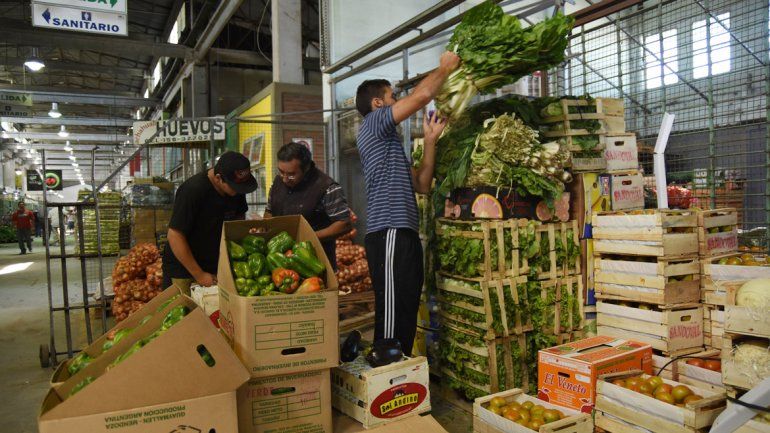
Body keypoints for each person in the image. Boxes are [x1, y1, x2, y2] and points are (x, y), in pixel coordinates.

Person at [355, 51, 460, 355]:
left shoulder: (389, 146)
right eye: (391, 96)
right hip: (387, 230)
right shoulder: (373, 124)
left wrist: (429, 141)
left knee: (406, 301)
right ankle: (385, 360)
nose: (395, 100)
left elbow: (422, 185)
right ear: (378, 103)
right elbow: (422, 95)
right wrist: (444, 68)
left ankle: (398, 365)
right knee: (391, 306)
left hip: (404, 232)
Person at [161, 151, 257, 295]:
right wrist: (199, 274)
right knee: (185, 313)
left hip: (214, 264)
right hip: (184, 269)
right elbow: (175, 235)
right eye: (235, 189)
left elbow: (238, 218)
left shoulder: (236, 188)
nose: (238, 192)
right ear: (219, 178)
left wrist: (247, 231)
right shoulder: (193, 190)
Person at [264, 142, 352, 268]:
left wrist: (307, 237)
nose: (284, 179)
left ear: (306, 168)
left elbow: (344, 224)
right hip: (278, 259)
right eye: (281, 172)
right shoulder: (278, 182)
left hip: (314, 262)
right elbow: (269, 210)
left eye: (291, 174)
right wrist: (266, 227)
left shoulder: (327, 187)